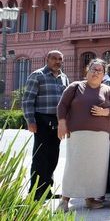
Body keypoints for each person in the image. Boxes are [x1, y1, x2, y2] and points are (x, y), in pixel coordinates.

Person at [56, 58, 110, 212]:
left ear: (104, 74)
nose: (96, 72)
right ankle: (65, 199)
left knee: (95, 168)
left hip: (101, 137)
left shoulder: (108, 90)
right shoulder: (75, 87)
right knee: (74, 166)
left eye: (100, 70)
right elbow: (62, 105)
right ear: (87, 70)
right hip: (78, 134)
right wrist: (62, 123)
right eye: (94, 69)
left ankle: (90, 199)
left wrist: (106, 112)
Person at [22, 50, 69, 200]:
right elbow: (27, 100)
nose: (57, 61)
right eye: (54, 58)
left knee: (53, 156)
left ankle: (47, 191)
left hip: (58, 122)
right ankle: (35, 192)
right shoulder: (37, 75)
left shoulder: (64, 78)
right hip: (41, 121)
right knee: (40, 157)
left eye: (60, 59)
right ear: (47, 59)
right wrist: (30, 121)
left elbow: (66, 103)